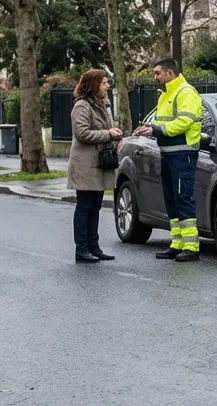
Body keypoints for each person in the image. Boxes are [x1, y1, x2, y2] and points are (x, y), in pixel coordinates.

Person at [134, 57, 204, 262]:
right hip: (168, 152)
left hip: (183, 154)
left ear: (170, 73)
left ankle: (191, 247)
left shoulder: (186, 93)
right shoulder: (166, 94)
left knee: (183, 198)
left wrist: (156, 130)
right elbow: (160, 120)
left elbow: (184, 122)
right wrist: (150, 128)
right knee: (171, 198)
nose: (155, 77)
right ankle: (177, 243)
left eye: (157, 73)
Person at [68, 69, 123, 263]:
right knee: (85, 206)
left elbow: (104, 128)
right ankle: (81, 249)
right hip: (85, 163)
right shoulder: (82, 106)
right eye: (104, 83)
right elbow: (82, 133)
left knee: (96, 206)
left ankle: (94, 246)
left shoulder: (103, 105)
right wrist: (108, 134)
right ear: (93, 85)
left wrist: (113, 132)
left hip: (99, 162)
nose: (107, 86)